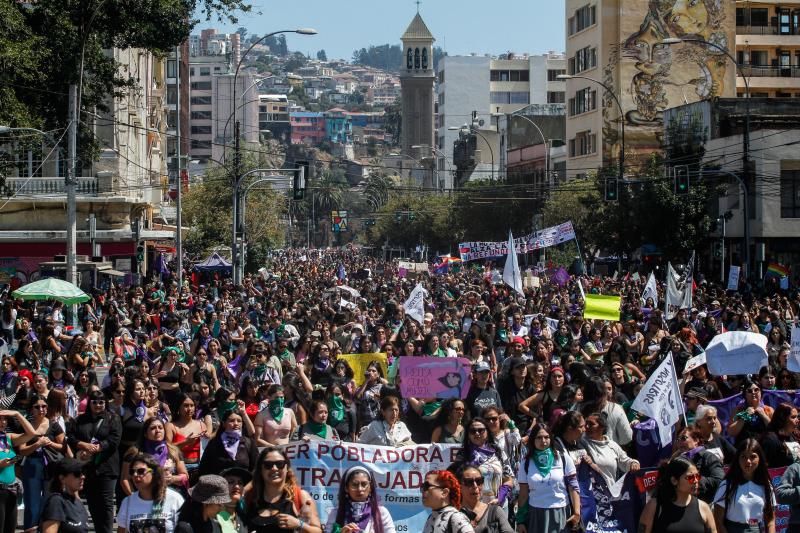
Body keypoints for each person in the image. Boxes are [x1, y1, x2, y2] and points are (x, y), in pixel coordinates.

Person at [66, 389, 121, 533]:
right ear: (89, 403)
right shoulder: (80, 420)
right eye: (94, 402)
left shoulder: (113, 418)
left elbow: (114, 440)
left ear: (105, 403)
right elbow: (71, 437)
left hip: (107, 466)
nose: (98, 405)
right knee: (93, 503)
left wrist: (98, 448)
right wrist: (82, 445)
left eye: (101, 402)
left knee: (106, 503)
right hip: (87, 467)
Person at [515, 423, 581, 533]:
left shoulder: (562, 457)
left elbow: (573, 486)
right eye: (539, 438)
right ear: (533, 440)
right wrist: (521, 520)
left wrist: (577, 513)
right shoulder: (526, 462)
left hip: (561, 512)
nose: (543, 441)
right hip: (536, 514)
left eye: (546, 437)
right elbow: (523, 493)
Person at [242, 447, 322, 533]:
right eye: (268, 465)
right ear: (261, 469)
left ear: (287, 468)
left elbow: (317, 531)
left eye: (280, 464)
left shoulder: (300, 496)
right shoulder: (250, 497)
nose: (274, 468)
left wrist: (299, 524)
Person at [19, 392, 68, 531]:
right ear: (31, 409)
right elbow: (22, 450)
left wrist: (49, 443)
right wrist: (37, 444)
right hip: (32, 465)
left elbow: (63, 447)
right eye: (37, 407)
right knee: (32, 503)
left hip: (50, 465)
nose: (41, 409)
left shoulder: (54, 424)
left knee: (49, 502)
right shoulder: (27, 426)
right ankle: (30, 528)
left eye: (44, 406)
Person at [638, 457, 717, 533]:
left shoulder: (703, 508)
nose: (696, 481)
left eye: (697, 476)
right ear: (674, 480)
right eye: (690, 477)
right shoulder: (654, 506)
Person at [712, 439, 775, 533]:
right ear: (738, 458)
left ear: (759, 459)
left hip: (756, 529)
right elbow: (718, 521)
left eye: (753, 457)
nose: (748, 461)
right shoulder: (727, 484)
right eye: (743, 457)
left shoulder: (766, 486)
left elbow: (770, 521)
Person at [118, 453, 186, 533]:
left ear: (154, 473)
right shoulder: (127, 502)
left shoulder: (175, 499)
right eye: (132, 472)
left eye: (141, 471)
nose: (135, 475)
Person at [0, 409, 38, 533]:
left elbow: (32, 433)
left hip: (11, 489)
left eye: (5, 419)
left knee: (10, 528)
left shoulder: (8, 437)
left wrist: (17, 414)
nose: (3, 422)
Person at [326, 466, 395, 533]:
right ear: (346, 488)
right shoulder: (336, 513)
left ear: (370, 487)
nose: (360, 489)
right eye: (354, 485)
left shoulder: (381, 512)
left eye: (364, 484)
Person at [580, 412, 639, 483]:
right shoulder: (581, 442)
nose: (587, 426)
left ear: (602, 427)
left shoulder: (612, 445)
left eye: (591, 424)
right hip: (589, 491)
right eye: (586, 423)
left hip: (609, 491)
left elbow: (625, 461)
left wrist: (634, 463)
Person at [199, 408, 258, 476]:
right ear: (224, 424)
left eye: (239, 421)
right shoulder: (214, 443)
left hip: (243, 485)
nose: (236, 424)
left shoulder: (248, 443)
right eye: (232, 421)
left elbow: (256, 469)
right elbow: (204, 469)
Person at [672, 426, 724, 504]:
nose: (680, 442)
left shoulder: (708, 457)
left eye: (683, 438)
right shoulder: (677, 460)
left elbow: (720, 481)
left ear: (696, 440)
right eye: (678, 439)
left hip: (705, 505)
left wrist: (693, 480)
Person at [39, 458, 90, 533]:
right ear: (62, 478)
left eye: (83, 473)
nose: (83, 477)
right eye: (77, 474)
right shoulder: (56, 501)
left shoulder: (77, 502)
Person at [457, 465, 514, 533]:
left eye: (479, 481)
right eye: (469, 482)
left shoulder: (495, 511)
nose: (475, 486)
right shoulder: (453, 514)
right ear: (459, 486)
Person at [727, 380, 773, 445]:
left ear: (761, 392)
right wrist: (744, 416)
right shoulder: (738, 410)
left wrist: (764, 415)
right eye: (749, 391)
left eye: (756, 390)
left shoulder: (768, 410)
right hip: (744, 446)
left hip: (764, 447)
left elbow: (774, 430)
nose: (753, 393)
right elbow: (731, 432)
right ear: (745, 395)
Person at [759, 402, 799, 468]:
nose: (797, 420)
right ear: (782, 419)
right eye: (793, 417)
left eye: (797, 417)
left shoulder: (792, 438)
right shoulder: (769, 440)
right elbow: (762, 467)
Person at [217, 467, 250, 533]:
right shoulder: (212, 517)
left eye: (240, 483)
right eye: (231, 482)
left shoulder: (243, 518)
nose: (236, 486)